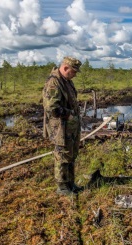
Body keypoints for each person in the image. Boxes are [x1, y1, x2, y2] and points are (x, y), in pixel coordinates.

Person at [42, 56, 83, 195]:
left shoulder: (66, 80)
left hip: (70, 126)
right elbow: (52, 108)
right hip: (60, 127)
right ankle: (62, 186)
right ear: (65, 68)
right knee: (62, 155)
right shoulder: (54, 82)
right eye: (73, 71)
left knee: (71, 154)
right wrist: (69, 114)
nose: (75, 75)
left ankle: (70, 183)